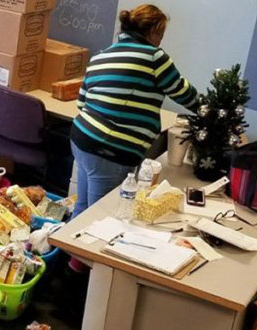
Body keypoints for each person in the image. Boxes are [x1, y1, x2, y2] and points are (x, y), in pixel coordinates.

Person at [68, 4, 199, 271]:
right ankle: (82, 288)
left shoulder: (102, 55)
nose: (162, 39)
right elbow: (183, 93)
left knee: (83, 210)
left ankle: (68, 270)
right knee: (103, 223)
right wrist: (210, 110)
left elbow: (82, 103)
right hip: (110, 150)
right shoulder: (154, 57)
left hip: (82, 138)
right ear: (153, 31)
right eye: (161, 33)